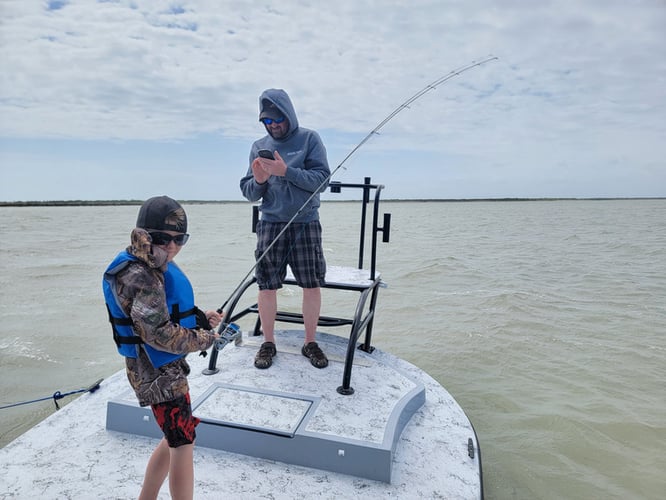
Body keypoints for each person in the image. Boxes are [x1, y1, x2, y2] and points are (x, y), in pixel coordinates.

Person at [102, 196, 222, 500]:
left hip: (163, 368)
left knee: (176, 437)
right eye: (162, 238)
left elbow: (162, 311)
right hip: (156, 372)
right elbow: (159, 335)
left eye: (179, 239)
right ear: (144, 234)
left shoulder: (150, 262)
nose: (172, 247)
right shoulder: (140, 274)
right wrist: (206, 339)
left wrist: (199, 318)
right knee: (182, 442)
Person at [240, 89, 330, 370]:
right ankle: (268, 343)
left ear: (288, 115)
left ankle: (310, 342)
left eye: (277, 119)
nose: (273, 125)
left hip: (305, 223)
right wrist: (260, 180)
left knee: (311, 284)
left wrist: (285, 171)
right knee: (266, 285)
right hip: (269, 223)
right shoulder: (258, 145)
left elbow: (322, 180)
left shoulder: (309, 139)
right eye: (267, 121)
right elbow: (249, 192)